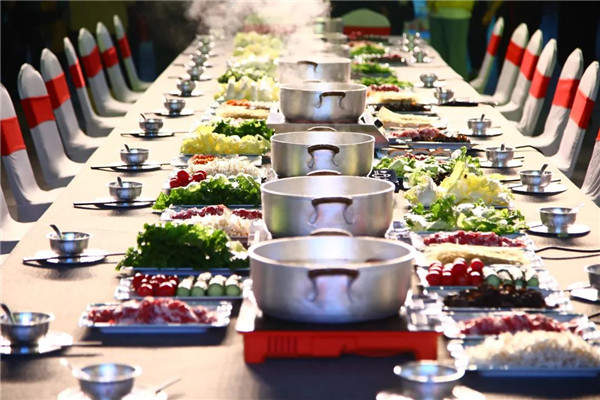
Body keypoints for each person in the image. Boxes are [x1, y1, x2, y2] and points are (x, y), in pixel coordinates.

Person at [426, 0, 475, 80]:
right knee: (437, 56)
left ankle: (460, 85)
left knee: (456, 57)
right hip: (435, 10)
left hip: (458, 10)